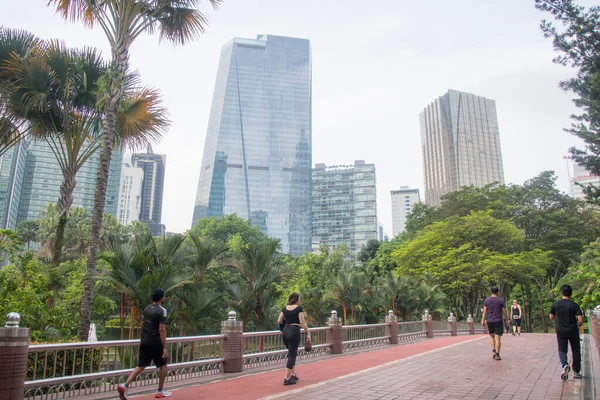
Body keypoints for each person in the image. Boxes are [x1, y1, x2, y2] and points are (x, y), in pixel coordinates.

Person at [118, 288, 171, 399]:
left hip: (145, 340)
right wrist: (165, 347)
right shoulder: (162, 311)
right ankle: (160, 390)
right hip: (156, 341)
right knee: (163, 365)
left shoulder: (147, 309)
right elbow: (162, 329)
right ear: (162, 298)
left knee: (141, 365)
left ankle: (125, 385)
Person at [549, 284, 584, 381]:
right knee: (576, 350)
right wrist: (578, 324)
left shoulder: (556, 304)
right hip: (573, 330)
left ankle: (564, 365)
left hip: (560, 330)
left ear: (561, 293)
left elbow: (551, 317)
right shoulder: (574, 305)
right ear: (571, 294)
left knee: (562, 350)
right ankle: (576, 372)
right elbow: (580, 320)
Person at [277, 292, 310, 386]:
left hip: (285, 331)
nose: (300, 300)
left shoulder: (284, 308)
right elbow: (302, 322)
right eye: (299, 298)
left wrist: (287, 323)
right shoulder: (299, 308)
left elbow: (279, 321)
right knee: (292, 354)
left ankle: (293, 374)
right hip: (294, 331)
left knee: (292, 352)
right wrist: (308, 333)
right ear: (296, 299)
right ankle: (286, 379)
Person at [481, 286, 510, 361]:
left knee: (491, 336)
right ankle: (497, 354)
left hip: (490, 321)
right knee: (498, 337)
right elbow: (504, 311)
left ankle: (493, 349)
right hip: (498, 321)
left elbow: (485, 311)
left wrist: (483, 320)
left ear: (491, 291)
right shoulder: (500, 300)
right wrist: (507, 320)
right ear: (498, 292)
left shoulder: (487, 300)